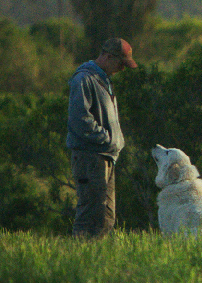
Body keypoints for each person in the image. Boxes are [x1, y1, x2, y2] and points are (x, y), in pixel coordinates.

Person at [66, 38, 138, 238]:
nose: (123, 69)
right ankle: (80, 258)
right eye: (120, 63)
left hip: (106, 157)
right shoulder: (84, 79)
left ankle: (99, 257)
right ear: (107, 57)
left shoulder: (103, 79)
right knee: (90, 212)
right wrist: (106, 138)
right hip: (90, 156)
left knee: (106, 215)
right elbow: (80, 120)